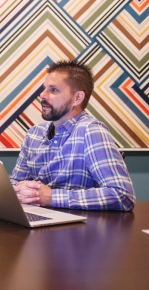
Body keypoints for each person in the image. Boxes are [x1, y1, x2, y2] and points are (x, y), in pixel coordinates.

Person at [10, 60, 135, 211]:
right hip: (37, 223)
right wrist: (15, 192)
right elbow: (16, 183)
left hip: (80, 229)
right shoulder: (33, 134)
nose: (42, 95)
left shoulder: (92, 131)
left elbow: (123, 195)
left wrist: (52, 197)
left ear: (78, 98)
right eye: (44, 89)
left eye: (53, 90)